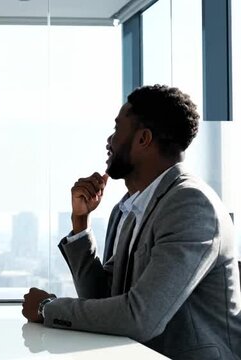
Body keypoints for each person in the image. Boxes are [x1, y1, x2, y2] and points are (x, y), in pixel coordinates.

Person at [22, 85, 241, 359]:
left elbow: (140, 317)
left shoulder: (191, 205)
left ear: (143, 139)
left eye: (117, 129)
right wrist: (81, 222)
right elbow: (102, 298)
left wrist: (47, 309)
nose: (109, 141)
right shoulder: (136, 206)